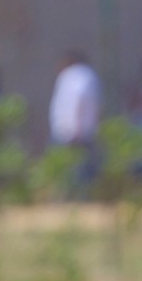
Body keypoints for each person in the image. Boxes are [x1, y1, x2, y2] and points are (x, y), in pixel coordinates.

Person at [48, 51, 100, 184]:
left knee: (75, 170)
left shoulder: (78, 75)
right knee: (74, 169)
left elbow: (79, 100)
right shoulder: (80, 75)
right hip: (73, 131)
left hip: (73, 132)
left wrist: (77, 128)